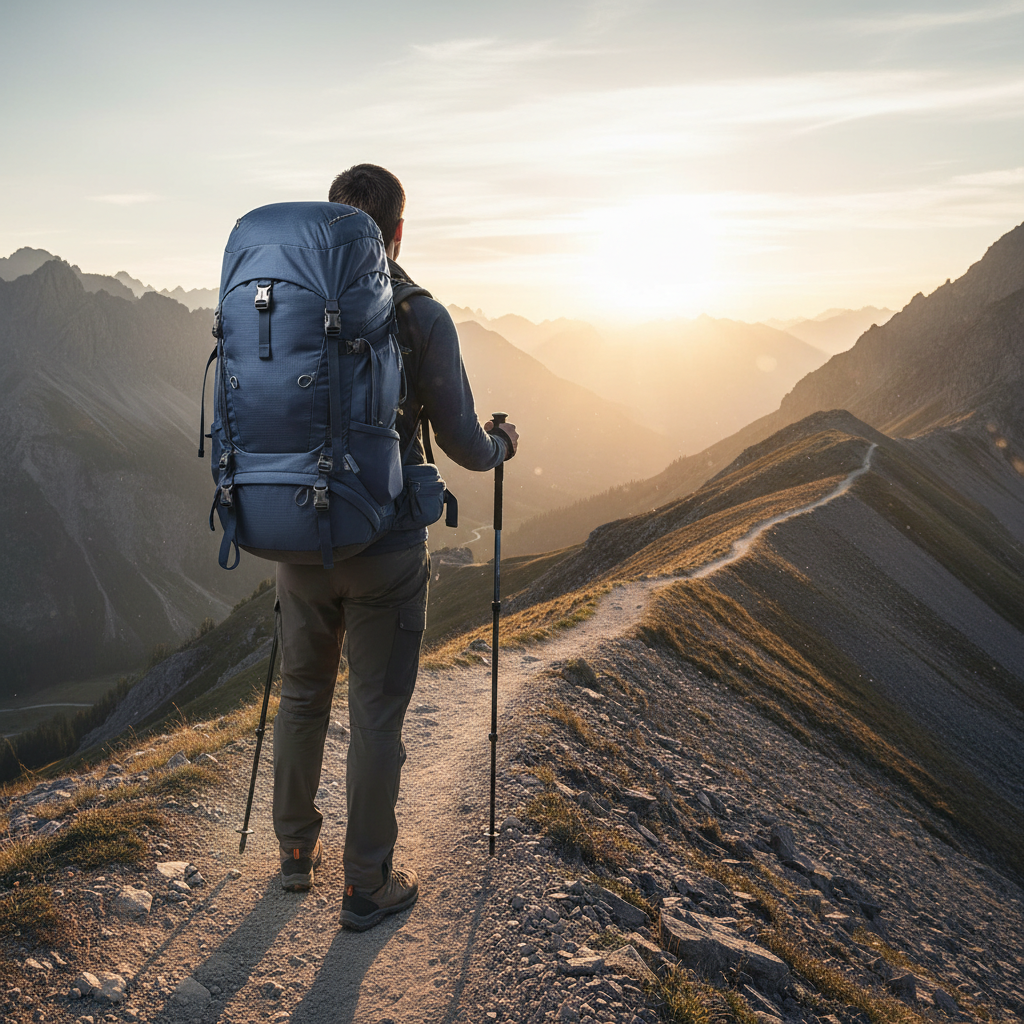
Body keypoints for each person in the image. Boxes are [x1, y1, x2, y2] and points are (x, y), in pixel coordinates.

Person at [272, 163, 519, 931]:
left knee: (304, 696)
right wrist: (504, 445)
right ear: (399, 231)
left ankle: (293, 856)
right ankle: (367, 883)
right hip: (384, 545)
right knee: (377, 712)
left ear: (326, 223)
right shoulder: (420, 315)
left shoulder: (284, 307)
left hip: (297, 538)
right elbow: (463, 444)